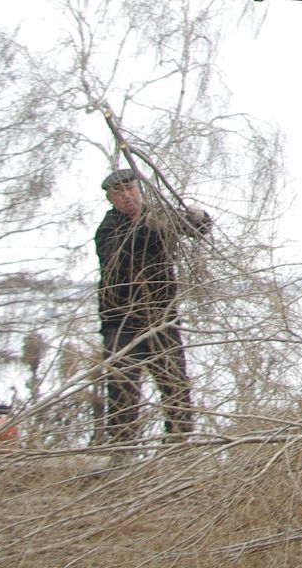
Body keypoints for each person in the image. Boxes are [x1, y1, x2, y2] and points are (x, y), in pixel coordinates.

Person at [94, 168, 211, 442]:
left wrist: (200, 217)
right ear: (110, 198)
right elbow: (117, 260)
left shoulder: (160, 214)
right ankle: (121, 453)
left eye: (130, 188)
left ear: (140, 189)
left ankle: (178, 449)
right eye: (118, 192)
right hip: (120, 323)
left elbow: (197, 230)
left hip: (162, 318)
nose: (126, 196)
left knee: (175, 387)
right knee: (122, 392)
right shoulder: (107, 229)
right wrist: (145, 228)